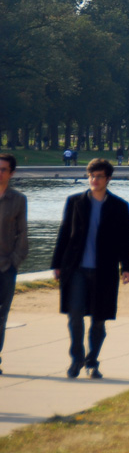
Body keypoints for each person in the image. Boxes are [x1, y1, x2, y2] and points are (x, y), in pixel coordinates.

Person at [51, 158, 129, 380]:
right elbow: (64, 233)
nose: (94, 180)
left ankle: (92, 361)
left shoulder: (119, 206)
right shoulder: (75, 202)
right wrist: (57, 264)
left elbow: (127, 239)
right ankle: (76, 358)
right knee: (74, 315)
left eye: (98, 176)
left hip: (104, 270)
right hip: (76, 268)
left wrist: (127, 267)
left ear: (108, 179)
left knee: (99, 319)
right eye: (91, 176)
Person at [0, 154, 29, 376]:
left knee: (1, 316)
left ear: (12, 173)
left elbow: (22, 233)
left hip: (5, 267)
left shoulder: (18, 200)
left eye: (3, 169)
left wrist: (15, 261)